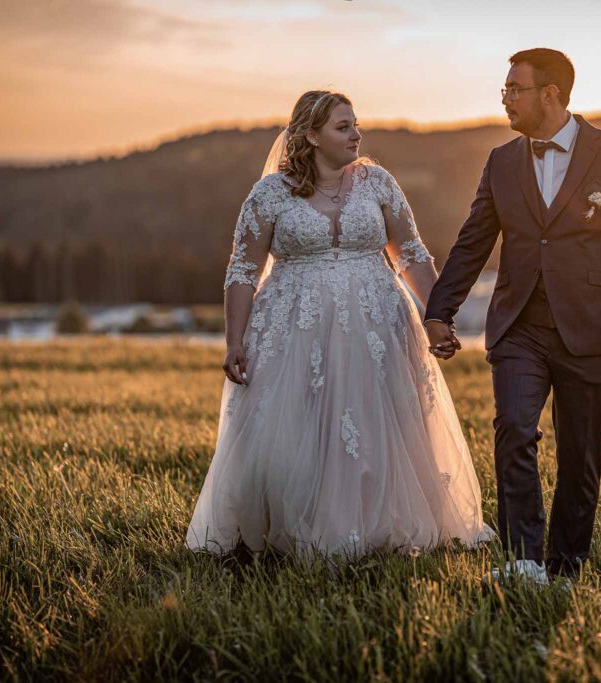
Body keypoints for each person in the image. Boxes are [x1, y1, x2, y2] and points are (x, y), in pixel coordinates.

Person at [186, 90, 494, 559]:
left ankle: (379, 528)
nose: (356, 134)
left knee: (375, 423)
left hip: (375, 323)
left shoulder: (378, 183)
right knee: (296, 429)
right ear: (311, 136)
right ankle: (286, 529)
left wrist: (437, 317)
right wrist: (234, 341)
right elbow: (243, 272)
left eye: (355, 124)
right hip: (293, 327)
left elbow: (409, 253)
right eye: (343, 126)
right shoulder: (269, 194)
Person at [424, 49, 601, 584]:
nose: (504, 98)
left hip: (591, 327)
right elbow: (473, 240)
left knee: (580, 455)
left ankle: (567, 564)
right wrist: (441, 310)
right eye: (505, 89)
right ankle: (523, 560)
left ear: (549, 94)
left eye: (514, 88)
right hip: (519, 326)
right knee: (513, 428)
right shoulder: (501, 161)